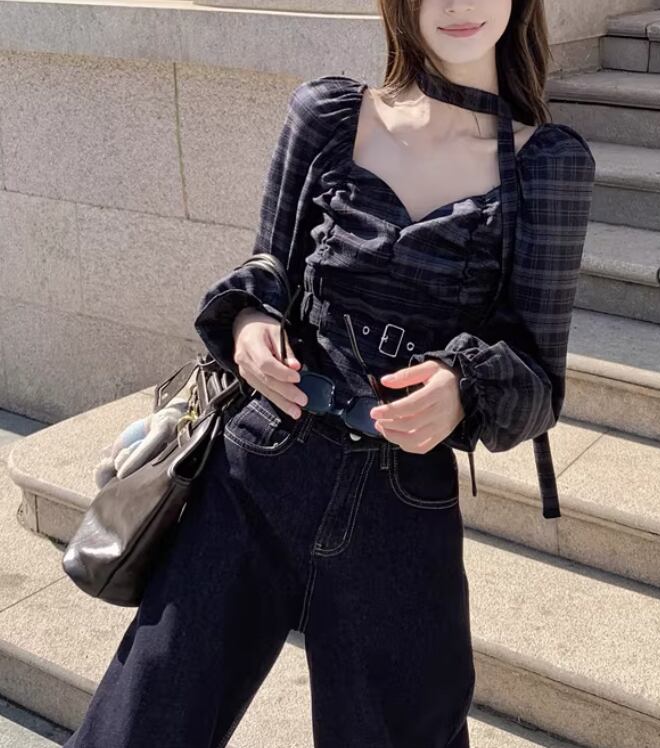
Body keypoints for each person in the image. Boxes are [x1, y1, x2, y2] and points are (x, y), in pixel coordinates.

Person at [62, 0, 595, 746]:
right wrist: (249, 322)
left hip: (399, 505)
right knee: (142, 724)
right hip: (256, 469)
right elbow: (266, 267)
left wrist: (462, 389)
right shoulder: (329, 115)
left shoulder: (548, 165)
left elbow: (538, 378)